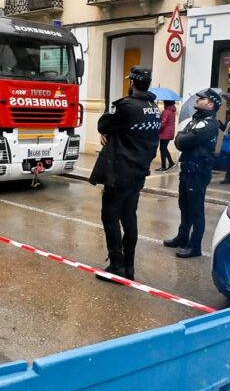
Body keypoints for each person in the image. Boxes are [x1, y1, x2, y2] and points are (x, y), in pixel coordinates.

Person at [89, 66, 161, 281]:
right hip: (138, 171)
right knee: (129, 217)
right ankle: (129, 266)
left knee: (109, 216)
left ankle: (117, 265)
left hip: (120, 172)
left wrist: (108, 124)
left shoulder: (127, 106)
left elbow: (104, 124)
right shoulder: (153, 107)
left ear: (133, 83)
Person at [164, 89, 220, 259]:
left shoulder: (209, 124)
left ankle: (195, 246)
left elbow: (183, 141)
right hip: (187, 169)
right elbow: (179, 139)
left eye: (202, 98)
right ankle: (182, 237)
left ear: (211, 104)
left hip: (198, 171)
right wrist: (183, 138)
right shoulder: (195, 121)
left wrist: (183, 138)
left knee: (196, 210)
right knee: (184, 206)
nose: (199, 99)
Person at [156, 100, 177, 171]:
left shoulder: (166, 111)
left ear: (166, 103)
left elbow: (163, 123)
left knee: (162, 148)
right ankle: (171, 163)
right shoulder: (172, 111)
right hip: (169, 132)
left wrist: (157, 128)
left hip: (165, 133)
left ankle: (163, 166)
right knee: (164, 148)